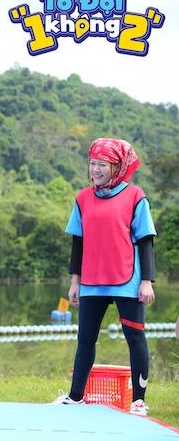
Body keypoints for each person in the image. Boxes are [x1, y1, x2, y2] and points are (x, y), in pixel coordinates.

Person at [53, 138, 156, 417]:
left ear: (116, 167)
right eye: (92, 164)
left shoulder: (135, 196)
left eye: (102, 164)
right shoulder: (82, 199)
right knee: (85, 339)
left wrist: (147, 281)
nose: (95, 170)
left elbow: (146, 241)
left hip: (127, 280)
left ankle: (139, 402)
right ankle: (76, 397)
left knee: (135, 337)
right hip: (92, 280)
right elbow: (78, 243)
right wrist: (75, 281)